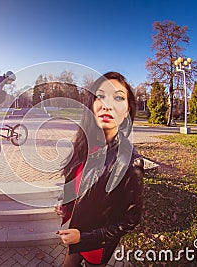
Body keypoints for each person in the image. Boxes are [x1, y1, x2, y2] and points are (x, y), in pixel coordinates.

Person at [55, 72, 144, 266]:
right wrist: (66, 204)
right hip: (75, 232)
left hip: (97, 243)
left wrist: (85, 238)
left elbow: (131, 219)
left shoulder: (130, 161)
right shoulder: (84, 145)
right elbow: (80, 184)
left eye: (118, 97)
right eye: (100, 96)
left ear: (128, 110)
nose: (107, 105)